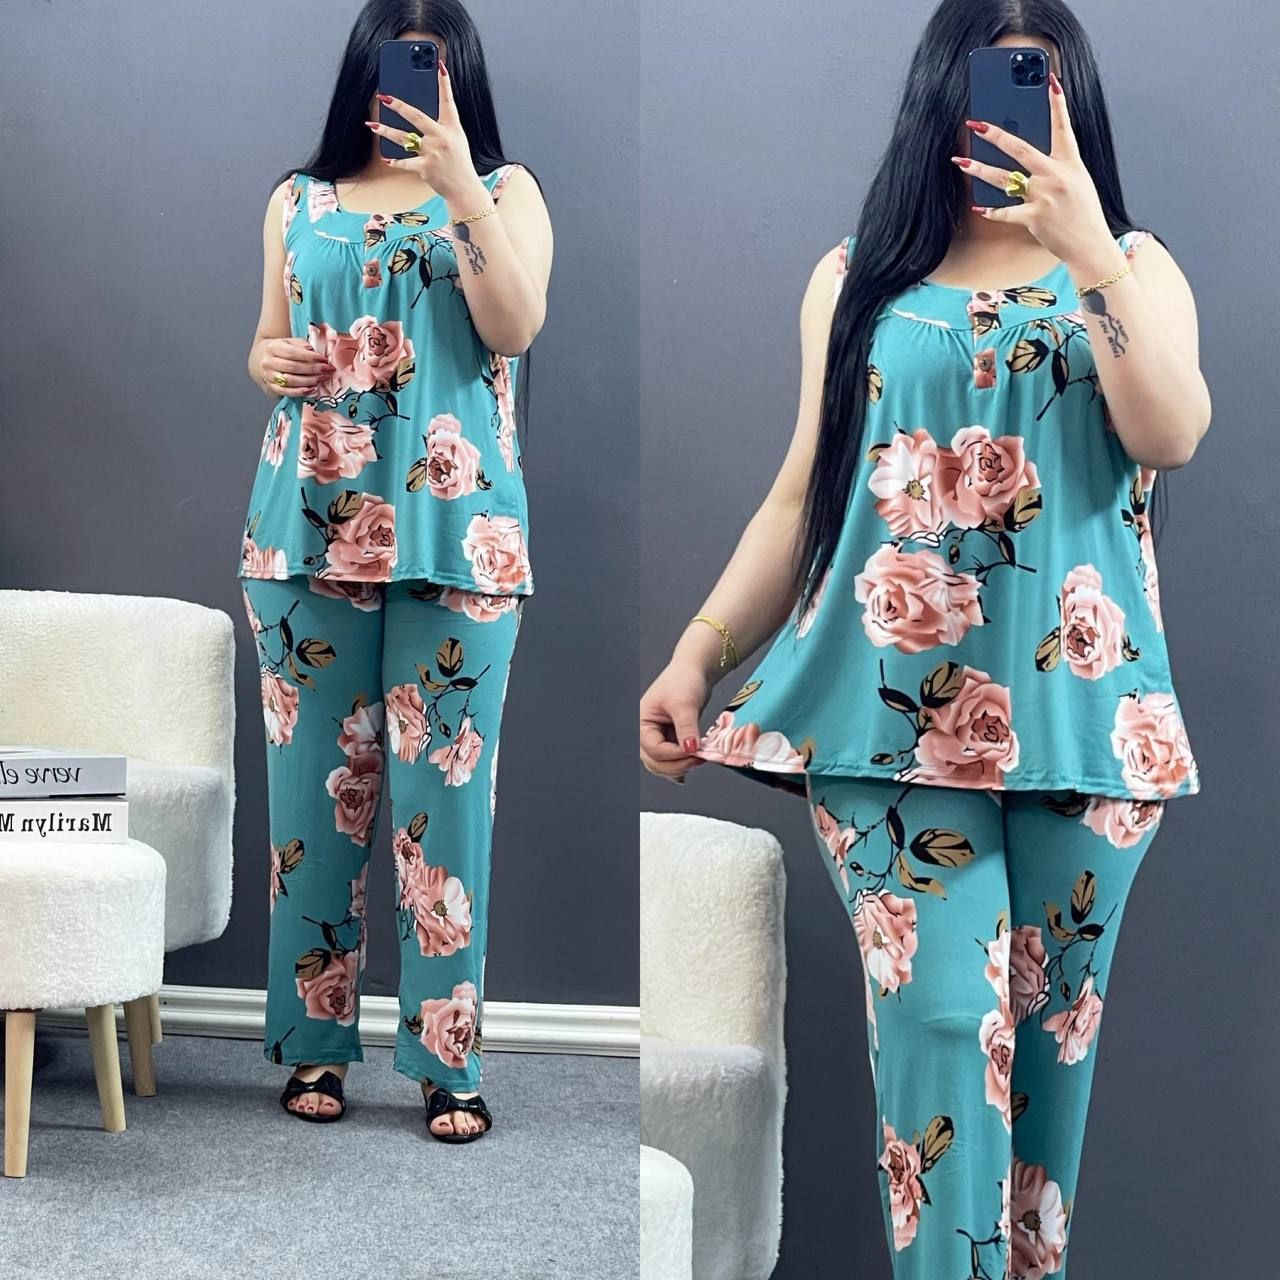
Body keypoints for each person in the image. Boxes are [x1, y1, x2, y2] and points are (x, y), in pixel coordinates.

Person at [639, 3, 1207, 1273]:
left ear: (1072, 103)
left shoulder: (1132, 267)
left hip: (1085, 726)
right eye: (981, 84)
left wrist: (1088, 253)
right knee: (945, 1029)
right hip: (880, 727)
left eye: (1033, 87)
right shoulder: (855, 280)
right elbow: (802, 496)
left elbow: (1169, 434)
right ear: (935, 96)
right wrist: (698, 650)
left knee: (1048, 1082)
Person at [238, 0, 552, 1141]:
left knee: (446, 808)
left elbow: (514, 327)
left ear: (458, 77)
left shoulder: (505, 192)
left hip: (458, 539)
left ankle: (446, 1061)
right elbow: (266, 339)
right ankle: (314, 1045)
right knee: (311, 810)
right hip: (303, 532)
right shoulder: (298, 199)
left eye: (429, 68)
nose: (406, 89)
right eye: (391, 68)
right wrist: (267, 359)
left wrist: (460, 187)